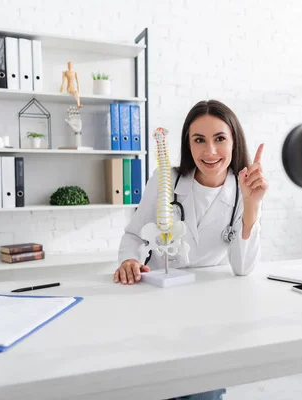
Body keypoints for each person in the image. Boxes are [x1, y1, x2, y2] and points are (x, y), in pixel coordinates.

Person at [114, 99, 268, 400]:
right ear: (188, 144)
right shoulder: (165, 180)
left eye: (220, 139)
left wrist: (253, 204)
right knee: (157, 384)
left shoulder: (243, 189)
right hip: (160, 300)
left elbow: (242, 267)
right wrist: (130, 260)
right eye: (199, 140)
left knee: (200, 389)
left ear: (235, 142)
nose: (209, 151)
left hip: (209, 308)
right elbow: (134, 234)